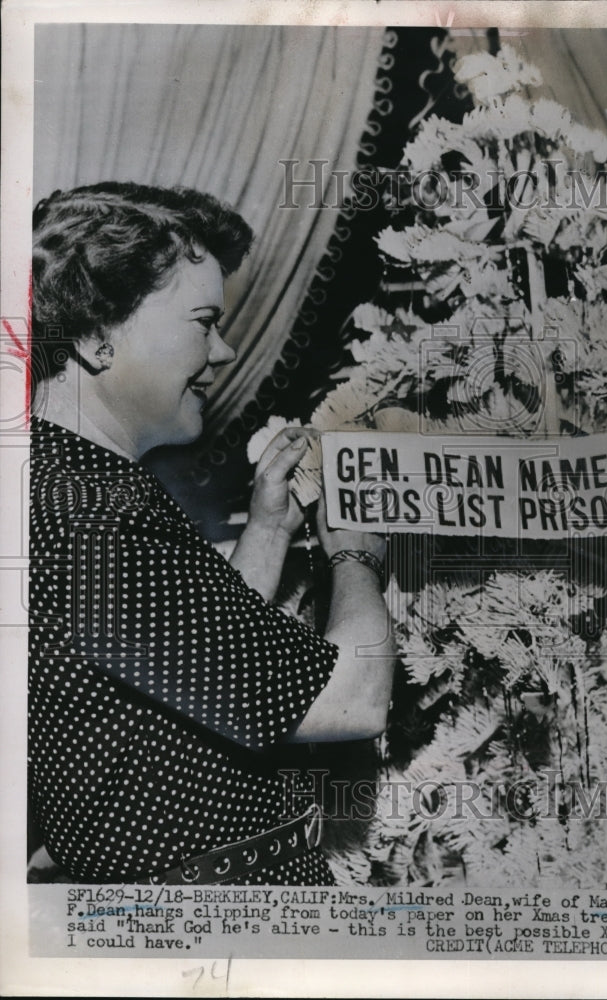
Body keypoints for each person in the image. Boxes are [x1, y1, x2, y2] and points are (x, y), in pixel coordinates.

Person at [28, 182, 395, 885]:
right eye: (203, 321)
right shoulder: (94, 518)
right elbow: (352, 698)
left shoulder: (60, 481)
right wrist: (355, 550)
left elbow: (190, 660)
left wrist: (267, 528)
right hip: (216, 926)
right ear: (94, 339)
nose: (224, 351)